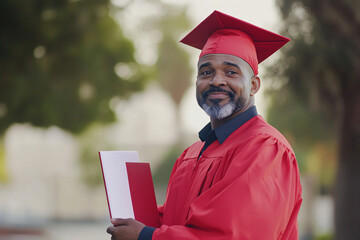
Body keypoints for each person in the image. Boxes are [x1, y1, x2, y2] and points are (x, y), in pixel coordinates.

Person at [107, 10, 302, 240]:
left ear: (254, 85)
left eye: (231, 72)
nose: (217, 80)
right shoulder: (191, 154)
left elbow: (235, 234)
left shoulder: (266, 149)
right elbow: (176, 221)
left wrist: (147, 236)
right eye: (206, 72)